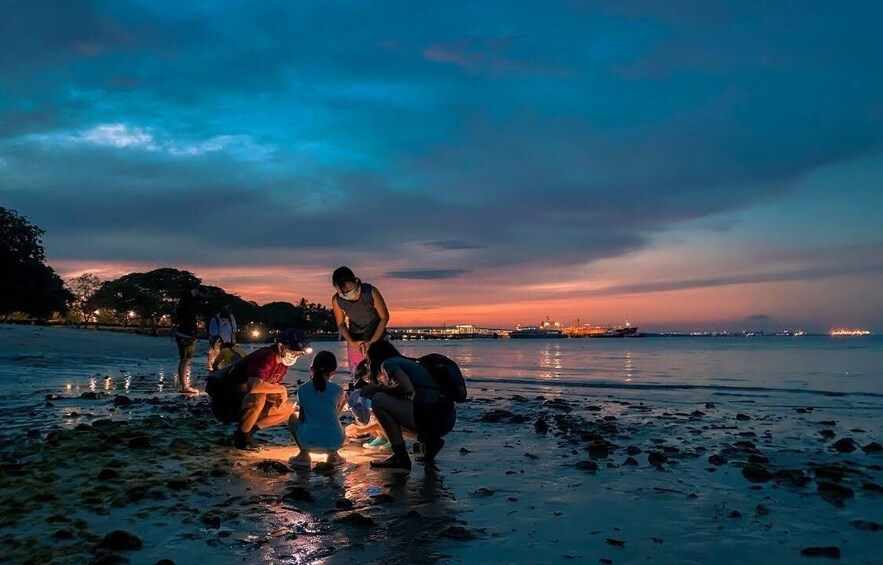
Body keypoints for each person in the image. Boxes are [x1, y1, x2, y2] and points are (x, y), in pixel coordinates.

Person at [205, 328, 309, 449]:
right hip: (227, 401)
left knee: (288, 408)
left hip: (244, 401)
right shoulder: (266, 356)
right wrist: (281, 389)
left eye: (299, 354)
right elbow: (254, 386)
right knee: (258, 396)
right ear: (281, 347)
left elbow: (269, 387)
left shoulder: (282, 364)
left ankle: (247, 432)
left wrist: (277, 396)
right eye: (294, 352)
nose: (295, 356)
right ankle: (242, 438)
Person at [362, 341, 456, 473]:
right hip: (446, 417)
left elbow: (406, 388)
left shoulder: (388, 364)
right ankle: (430, 442)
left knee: (378, 400)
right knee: (389, 412)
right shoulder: (406, 363)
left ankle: (400, 458)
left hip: (432, 415)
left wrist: (377, 388)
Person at [289, 351, 347, 467]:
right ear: (333, 372)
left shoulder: (303, 389)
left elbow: (302, 418)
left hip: (309, 441)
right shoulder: (338, 390)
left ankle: (304, 454)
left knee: (292, 418)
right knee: (333, 421)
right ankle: (333, 455)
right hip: (335, 440)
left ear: (311, 369)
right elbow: (334, 415)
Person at [331, 266, 390, 376]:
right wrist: (352, 342)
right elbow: (341, 324)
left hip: (378, 336)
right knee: (359, 374)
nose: (350, 293)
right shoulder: (337, 300)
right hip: (355, 339)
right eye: (346, 292)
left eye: (351, 289)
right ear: (337, 287)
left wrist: (372, 341)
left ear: (355, 281)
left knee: (382, 372)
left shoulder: (370, 291)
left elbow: (384, 317)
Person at [172, 284, 209, 394]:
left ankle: (185, 385)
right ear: (198, 292)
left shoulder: (186, 300)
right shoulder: (188, 300)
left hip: (184, 333)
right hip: (185, 333)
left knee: (185, 359)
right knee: (185, 359)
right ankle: (185, 386)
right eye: (203, 295)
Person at [343, 360, 388, 449]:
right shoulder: (366, 395)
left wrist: (361, 430)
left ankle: (390, 439)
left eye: (368, 379)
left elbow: (386, 419)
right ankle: (381, 437)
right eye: (365, 379)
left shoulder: (384, 394)